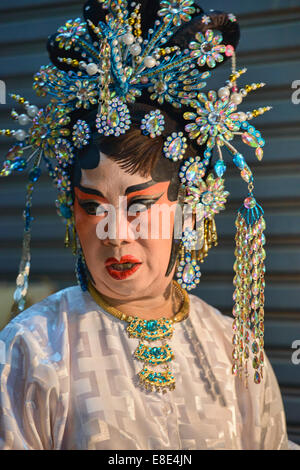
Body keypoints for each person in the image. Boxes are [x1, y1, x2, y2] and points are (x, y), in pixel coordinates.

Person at [0, 0, 298, 450]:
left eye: (139, 206)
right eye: (94, 207)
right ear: (71, 213)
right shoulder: (33, 349)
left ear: (191, 207)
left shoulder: (232, 347)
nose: (116, 233)